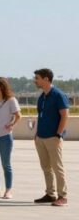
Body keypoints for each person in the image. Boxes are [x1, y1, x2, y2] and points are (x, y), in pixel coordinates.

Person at [33, 68, 69, 206]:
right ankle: (50, 194)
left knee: (57, 167)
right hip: (40, 137)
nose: (35, 81)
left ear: (46, 79)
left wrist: (58, 134)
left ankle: (63, 196)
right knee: (46, 167)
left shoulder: (58, 95)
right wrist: (36, 134)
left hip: (53, 138)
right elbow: (41, 116)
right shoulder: (42, 96)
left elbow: (65, 115)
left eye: (37, 78)